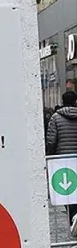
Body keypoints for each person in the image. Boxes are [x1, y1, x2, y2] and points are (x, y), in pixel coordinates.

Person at [46, 90, 77, 233]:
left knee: (67, 192)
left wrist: (50, 157)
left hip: (62, 160)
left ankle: (73, 217)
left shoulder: (56, 118)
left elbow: (51, 140)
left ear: (63, 101)